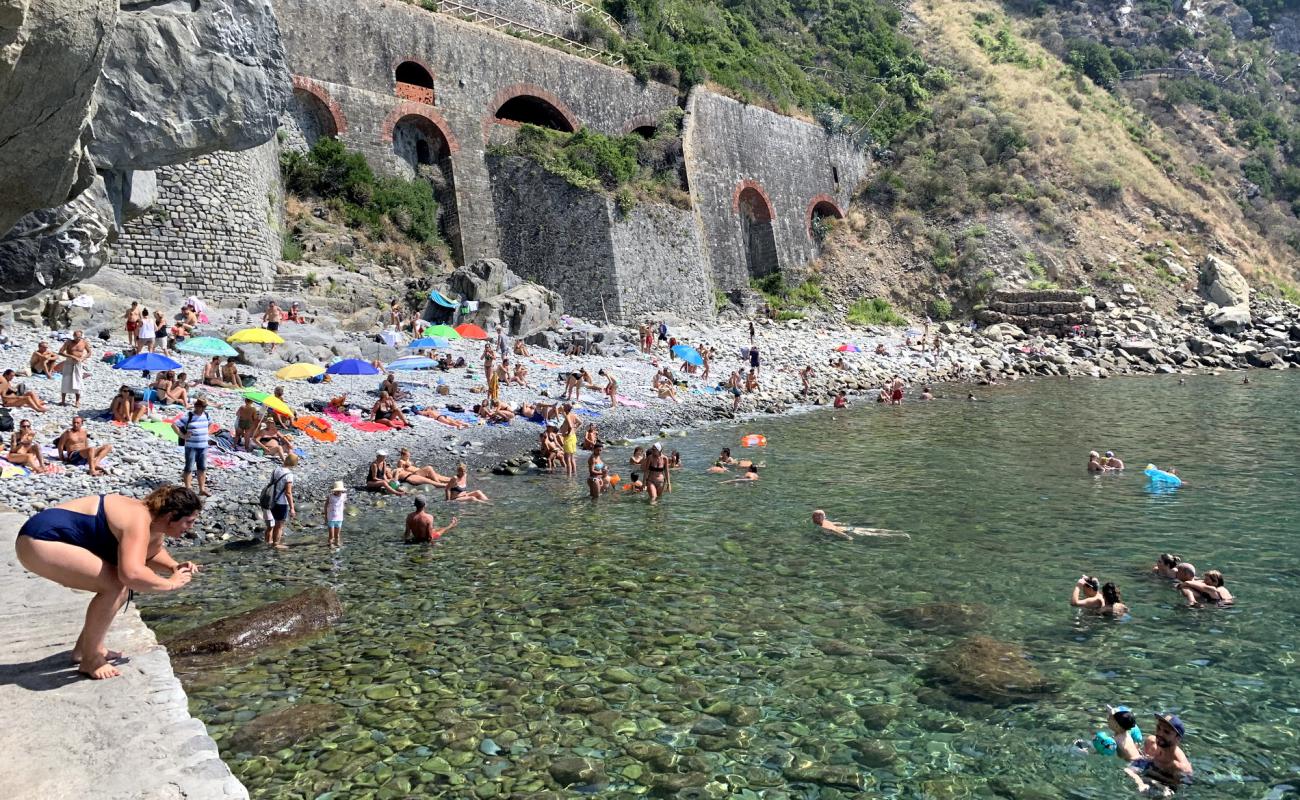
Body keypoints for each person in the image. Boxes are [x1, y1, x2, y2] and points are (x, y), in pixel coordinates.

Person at [15, 486, 201, 679]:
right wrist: (170, 584)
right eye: (188, 521)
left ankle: (84, 650)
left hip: (43, 538)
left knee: (118, 586)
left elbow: (150, 552)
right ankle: (91, 659)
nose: (190, 527)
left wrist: (173, 566)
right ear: (171, 516)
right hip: (40, 540)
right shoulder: (138, 519)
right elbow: (132, 573)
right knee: (114, 585)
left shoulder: (153, 522)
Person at [1125, 713, 1193, 795]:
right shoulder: (1151, 743)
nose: (1160, 734)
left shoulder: (1180, 767)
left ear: (1177, 738)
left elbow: (1181, 791)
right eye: (1158, 728)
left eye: (1166, 732)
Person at [175, 399, 212, 496]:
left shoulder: (206, 415)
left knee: (202, 468)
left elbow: (210, 423)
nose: (203, 409)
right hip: (191, 446)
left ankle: (202, 489)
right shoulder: (189, 416)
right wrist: (183, 436)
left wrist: (207, 433)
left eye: (204, 407)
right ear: (197, 406)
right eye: (202, 407)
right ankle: (188, 489)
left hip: (203, 446)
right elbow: (174, 425)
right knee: (189, 467)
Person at [811, 510, 910, 540]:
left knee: (874, 534)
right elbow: (835, 525)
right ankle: (898, 533)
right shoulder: (826, 522)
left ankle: (899, 536)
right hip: (849, 528)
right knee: (874, 530)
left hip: (847, 531)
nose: (824, 516)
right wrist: (844, 524)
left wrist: (847, 537)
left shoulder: (823, 525)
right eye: (823, 515)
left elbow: (834, 531)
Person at [57, 330, 91, 407]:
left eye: (79, 337)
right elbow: (60, 352)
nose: (78, 338)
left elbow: (89, 352)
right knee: (66, 380)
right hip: (69, 361)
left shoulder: (84, 342)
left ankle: (77, 401)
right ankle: (63, 401)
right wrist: (71, 356)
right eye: (76, 337)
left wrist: (83, 358)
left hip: (78, 362)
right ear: (73, 336)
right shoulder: (68, 342)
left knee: (78, 380)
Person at [559, 403, 579, 478]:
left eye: (565, 406)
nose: (563, 407)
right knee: (572, 457)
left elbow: (570, 425)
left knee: (567, 459)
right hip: (573, 437)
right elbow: (580, 423)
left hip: (568, 438)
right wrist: (575, 430)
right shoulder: (573, 415)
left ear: (566, 408)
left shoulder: (567, 416)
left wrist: (567, 432)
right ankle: (575, 473)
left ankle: (569, 477)